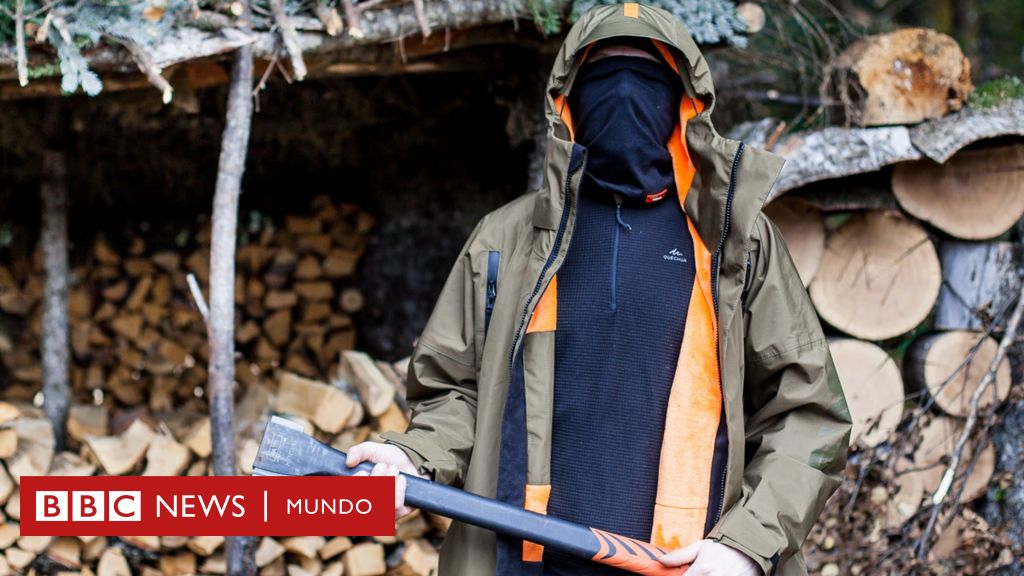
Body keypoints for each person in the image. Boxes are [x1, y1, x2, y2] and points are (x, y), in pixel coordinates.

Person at [346, 4, 852, 575]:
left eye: (647, 75)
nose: (624, 94)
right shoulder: (506, 240)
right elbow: (453, 390)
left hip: (688, 567)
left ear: (683, 98)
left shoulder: (737, 245)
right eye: (603, 74)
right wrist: (410, 456)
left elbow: (807, 413)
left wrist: (744, 544)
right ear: (568, 99)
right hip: (524, 564)